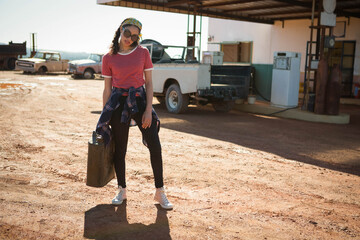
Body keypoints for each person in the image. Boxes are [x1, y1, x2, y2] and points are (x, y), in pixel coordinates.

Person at [96, 18, 173, 210]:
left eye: (135, 35)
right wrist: (106, 114)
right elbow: (107, 89)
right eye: (127, 33)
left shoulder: (143, 53)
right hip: (118, 102)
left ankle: (160, 191)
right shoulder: (108, 57)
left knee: (154, 145)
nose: (130, 38)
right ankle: (121, 189)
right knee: (120, 149)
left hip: (139, 99)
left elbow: (149, 83)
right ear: (120, 30)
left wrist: (148, 109)